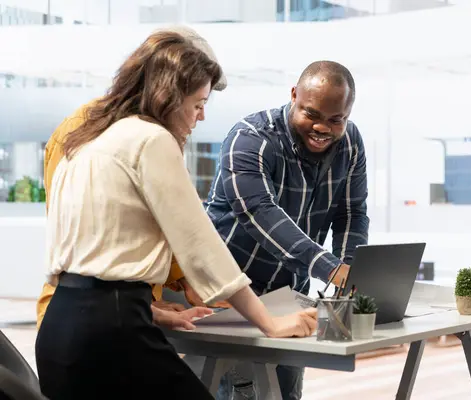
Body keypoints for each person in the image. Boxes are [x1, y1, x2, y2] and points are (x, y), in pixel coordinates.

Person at [35, 30, 317, 400]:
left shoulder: (87, 139)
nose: (201, 116)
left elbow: (91, 259)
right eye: (198, 103)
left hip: (60, 330)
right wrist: (270, 322)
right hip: (113, 333)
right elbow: (201, 245)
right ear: (168, 96)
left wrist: (147, 311)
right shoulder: (151, 139)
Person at [205, 60, 369, 400]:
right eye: (312, 114)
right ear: (294, 95)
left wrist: (351, 276)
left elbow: (352, 213)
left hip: (290, 295)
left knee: (286, 394)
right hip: (229, 294)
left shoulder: (350, 143)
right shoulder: (249, 139)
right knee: (237, 394)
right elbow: (261, 214)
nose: (323, 127)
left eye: (336, 119)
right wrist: (332, 268)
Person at [35, 25, 214, 330]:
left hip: (128, 305)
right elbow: (91, 233)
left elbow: (156, 221)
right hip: (89, 308)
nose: (198, 115)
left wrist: (169, 290)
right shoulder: (92, 128)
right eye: (194, 100)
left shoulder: (151, 132)